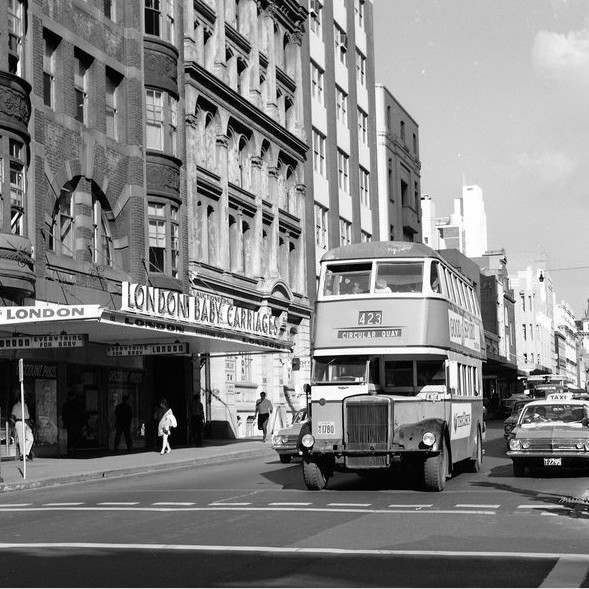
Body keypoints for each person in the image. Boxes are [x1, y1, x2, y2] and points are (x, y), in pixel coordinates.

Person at [11, 394, 34, 461]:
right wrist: (14, 424)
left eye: (25, 398)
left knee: (30, 439)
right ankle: (23, 455)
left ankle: (25, 453)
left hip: (26, 422)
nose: (24, 400)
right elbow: (12, 416)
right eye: (23, 398)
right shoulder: (16, 406)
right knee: (22, 439)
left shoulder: (25, 405)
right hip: (19, 422)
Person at [62, 389, 84, 455]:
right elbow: (81, 414)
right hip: (76, 424)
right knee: (76, 436)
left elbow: (64, 415)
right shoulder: (78, 405)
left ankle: (70, 448)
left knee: (70, 437)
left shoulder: (66, 405)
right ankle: (73, 448)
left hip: (69, 424)